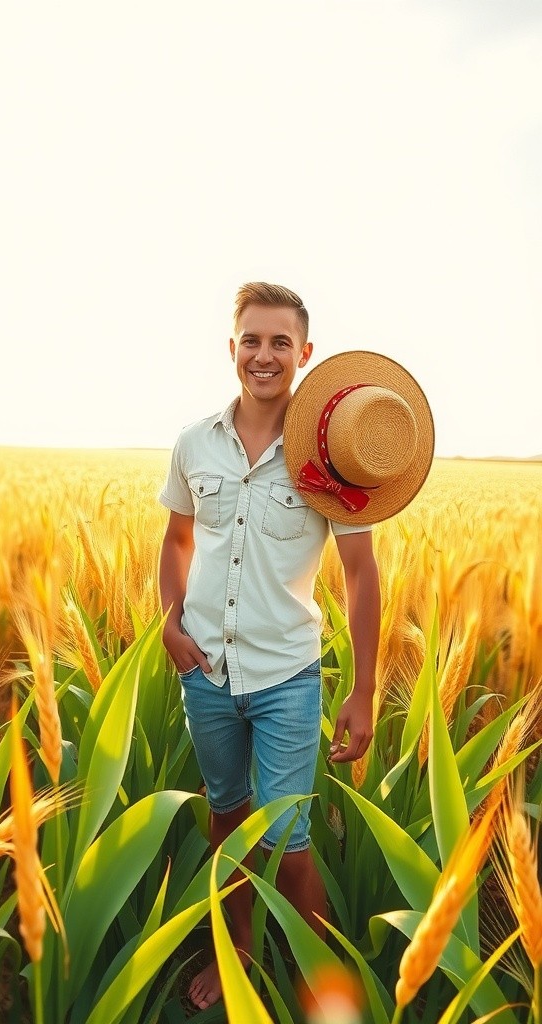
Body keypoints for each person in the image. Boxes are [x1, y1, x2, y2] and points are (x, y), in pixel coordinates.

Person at [158, 281, 434, 1011]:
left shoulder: (332, 456)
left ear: (304, 353)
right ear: (232, 348)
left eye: (280, 342)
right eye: (252, 339)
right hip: (207, 673)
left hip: (286, 677)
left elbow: (361, 573)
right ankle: (240, 949)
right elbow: (177, 539)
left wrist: (364, 689)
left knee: (290, 836)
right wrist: (169, 621)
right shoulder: (194, 443)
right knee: (226, 816)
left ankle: (318, 977)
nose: (264, 354)